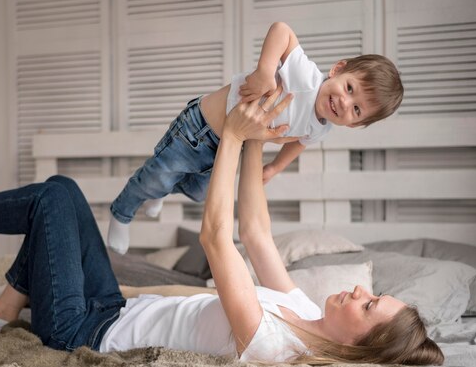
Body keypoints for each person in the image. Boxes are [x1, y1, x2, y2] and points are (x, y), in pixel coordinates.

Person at [0, 87, 441, 365]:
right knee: (65, 191)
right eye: (372, 295)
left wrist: (230, 136)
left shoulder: (272, 347)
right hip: (112, 305)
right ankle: (3, 310)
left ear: (356, 348)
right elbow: (253, 231)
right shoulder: (302, 311)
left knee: (52, 202)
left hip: (81, 333)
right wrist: (257, 132)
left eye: (368, 306)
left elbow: (216, 238)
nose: (356, 290)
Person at [107, 21, 404, 254]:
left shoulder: (322, 127)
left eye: (355, 110)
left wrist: (275, 167)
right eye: (349, 88)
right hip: (198, 129)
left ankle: (158, 193)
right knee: (154, 178)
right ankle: (122, 213)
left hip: (226, 152)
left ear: (354, 125)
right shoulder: (306, 77)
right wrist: (265, 70)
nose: (343, 102)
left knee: (197, 193)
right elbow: (281, 31)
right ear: (338, 70)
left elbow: (299, 143)